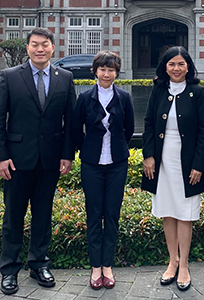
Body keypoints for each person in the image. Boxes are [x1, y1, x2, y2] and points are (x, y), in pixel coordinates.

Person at [0, 27, 76, 295]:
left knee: (43, 215)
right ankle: (9, 270)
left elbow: (70, 121)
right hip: (16, 161)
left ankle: (39, 264)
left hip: (49, 160)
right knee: (13, 217)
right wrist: (1, 157)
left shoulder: (65, 78)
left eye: (45, 44)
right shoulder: (10, 76)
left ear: (53, 48)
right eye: (35, 45)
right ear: (27, 48)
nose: (40, 49)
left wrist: (67, 154)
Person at [141, 46, 204, 292]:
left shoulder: (197, 92)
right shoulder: (158, 90)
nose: (176, 68)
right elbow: (148, 124)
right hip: (162, 159)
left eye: (181, 64)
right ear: (165, 67)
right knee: (168, 211)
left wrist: (198, 164)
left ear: (188, 66)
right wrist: (148, 156)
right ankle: (172, 261)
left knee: (185, 213)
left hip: (187, 161)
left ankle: (185, 266)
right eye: (171, 64)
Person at [71, 50, 134, 290]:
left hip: (117, 164)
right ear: (95, 71)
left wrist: (116, 148)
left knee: (112, 215)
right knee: (94, 214)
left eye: (111, 70)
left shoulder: (124, 97)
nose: (106, 74)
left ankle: (107, 266)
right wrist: (87, 148)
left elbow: (128, 129)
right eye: (102, 69)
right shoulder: (85, 98)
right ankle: (95, 267)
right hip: (92, 164)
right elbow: (76, 129)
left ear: (117, 73)